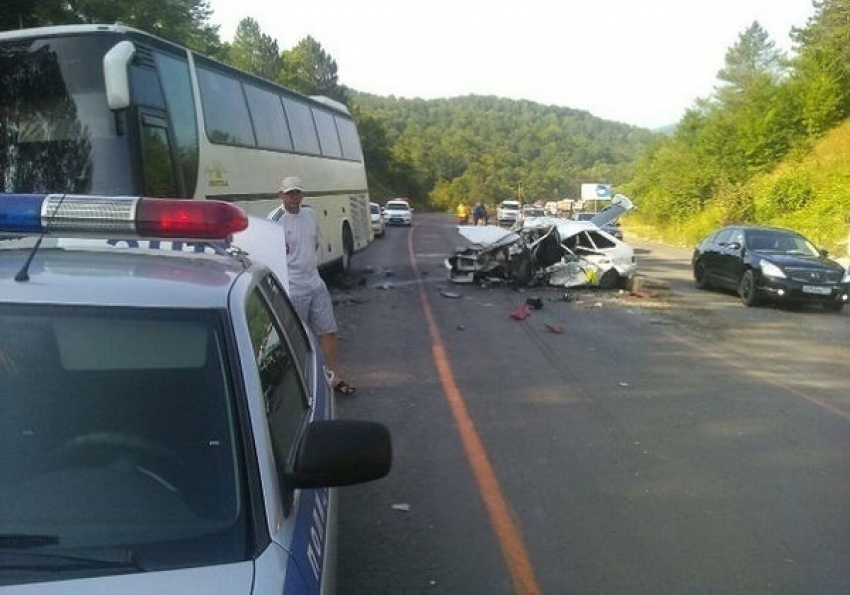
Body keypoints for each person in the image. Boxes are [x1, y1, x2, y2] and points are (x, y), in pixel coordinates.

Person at [268, 176, 357, 395]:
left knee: (328, 330)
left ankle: (334, 377)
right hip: (293, 286)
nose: (293, 198)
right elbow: (270, 254)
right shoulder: (275, 219)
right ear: (281, 195)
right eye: (289, 194)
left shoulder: (310, 213)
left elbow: (314, 242)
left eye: (297, 193)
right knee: (298, 337)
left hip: (315, 282)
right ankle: (303, 386)